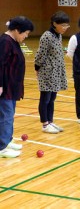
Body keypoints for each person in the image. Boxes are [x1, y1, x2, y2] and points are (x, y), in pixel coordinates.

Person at [0, 16, 34, 158]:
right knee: (5, 116)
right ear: (16, 30)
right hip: (6, 87)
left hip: (13, 87)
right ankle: (2, 147)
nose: (26, 36)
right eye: (25, 33)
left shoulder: (13, 41)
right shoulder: (5, 42)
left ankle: (7, 140)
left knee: (9, 115)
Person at [35, 11, 69, 134]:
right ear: (55, 23)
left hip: (56, 71)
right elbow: (40, 54)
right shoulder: (47, 36)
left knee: (52, 98)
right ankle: (45, 124)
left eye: (67, 25)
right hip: (47, 72)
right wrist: (37, 67)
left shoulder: (58, 35)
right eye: (63, 25)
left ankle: (50, 121)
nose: (65, 28)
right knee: (45, 98)